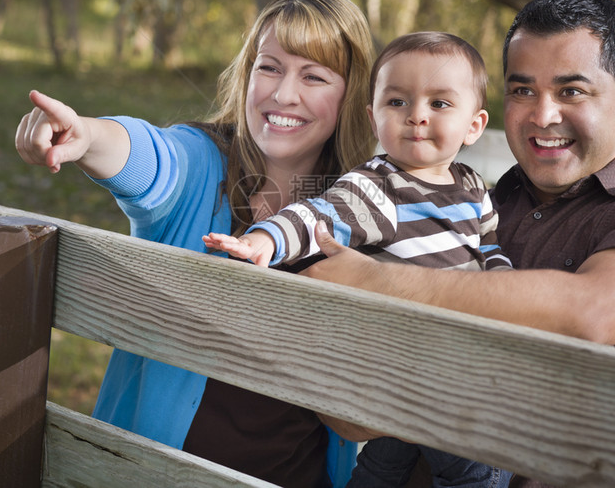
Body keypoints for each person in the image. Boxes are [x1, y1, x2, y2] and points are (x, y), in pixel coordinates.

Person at [301, 0, 615, 487]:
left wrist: (376, 281)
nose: (543, 115)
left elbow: (589, 312)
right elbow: (349, 412)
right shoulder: (475, 207)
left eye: (572, 90)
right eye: (523, 91)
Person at [14, 0, 377, 488]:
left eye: (313, 76)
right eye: (269, 67)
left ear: (354, 94)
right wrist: (88, 136)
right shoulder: (202, 165)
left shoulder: (364, 208)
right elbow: (150, 157)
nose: (283, 94)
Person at [204, 31, 513, 488]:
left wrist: (504, 290)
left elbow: (489, 247)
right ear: (373, 117)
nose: (417, 117)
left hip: (454, 367)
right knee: (463, 468)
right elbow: (317, 216)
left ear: (474, 125)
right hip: (398, 373)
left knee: (417, 468)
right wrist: (266, 240)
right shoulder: (376, 187)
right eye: (397, 102)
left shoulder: (471, 188)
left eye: (440, 104)